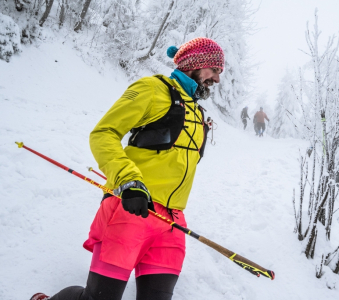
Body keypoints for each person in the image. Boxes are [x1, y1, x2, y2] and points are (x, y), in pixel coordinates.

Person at [30, 37, 225, 300]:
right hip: (131, 209)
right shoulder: (152, 89)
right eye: (214, 70)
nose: (217, 78)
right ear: (196, 64)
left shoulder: (196, 111)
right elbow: (103, 133)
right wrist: (129, 180)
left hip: (172, 223)